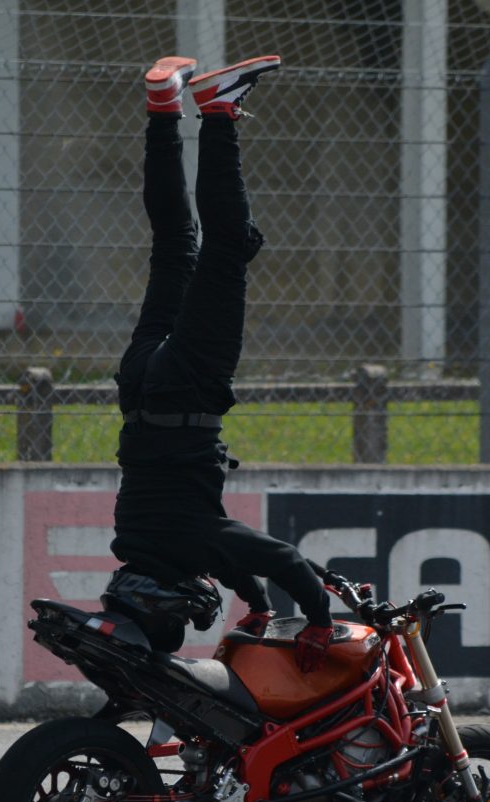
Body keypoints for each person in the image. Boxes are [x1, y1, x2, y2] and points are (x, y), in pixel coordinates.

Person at [107, 55, 333, 673]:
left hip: (188, 390)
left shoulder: (189, 538)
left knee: (228, 246)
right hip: (140, 383)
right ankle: (163, 111)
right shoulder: (140, 536)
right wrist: (256, 605)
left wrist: (321, 624)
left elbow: (276, 557)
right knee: (175, 243)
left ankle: (218, 110)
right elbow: (234, 556)